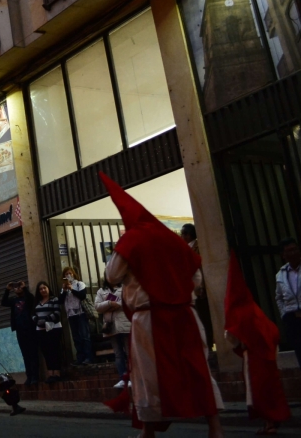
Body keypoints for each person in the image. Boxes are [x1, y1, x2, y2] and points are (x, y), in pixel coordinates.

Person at [100, 172, 224, 438]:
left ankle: (148, 430)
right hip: (185, 315)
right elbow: (197, 278)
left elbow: (111, 276)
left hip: (150, 318)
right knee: (197, 368)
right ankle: (215, 429)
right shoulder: (175, 240)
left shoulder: (131, 240)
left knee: (148, 375)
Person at [225, 252, 290, 435]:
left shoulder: (241, 312)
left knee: (261, 391)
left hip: (256, 356)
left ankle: (270, 422)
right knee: (264, 390)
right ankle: (269, 421)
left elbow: (232, 336)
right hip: (262, 354)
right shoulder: (252, 310)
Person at [182, 223, 214, 351]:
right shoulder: (185, 248)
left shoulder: (198, 247)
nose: (181, 236)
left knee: (204, 318)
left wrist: (202, 287)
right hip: (190, 289)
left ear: (189, 235)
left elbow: (201, 268)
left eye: (183, 234)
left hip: (199, 288)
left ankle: (209, 345)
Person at [95, 278, 131, 388]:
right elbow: (97, 306)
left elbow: (129, 301)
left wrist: (118, 304)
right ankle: (122, 378)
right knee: (118, 354)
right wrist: (109, 303)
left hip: (124, 324)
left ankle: (132, 377)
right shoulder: (101, 291)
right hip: (111, 326)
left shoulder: (124, 287)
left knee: (130, 353)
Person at [1, 281, 39, 384]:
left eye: (19, 287)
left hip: (30, 329)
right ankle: (29, 376)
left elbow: (32, 299)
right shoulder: (14, 301)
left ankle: (35, 376)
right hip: (20, 330)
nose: (17, 288)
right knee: (25, 354)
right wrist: (7, 290)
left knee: (33, 353)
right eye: (15, 287)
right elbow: (3, 302)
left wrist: (25, 288)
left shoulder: (27, 298)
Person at [275, 237, 301, 368]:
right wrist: (284, 314)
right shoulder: (281, 274)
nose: (293, 253)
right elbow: (279, 297)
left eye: (295, 249)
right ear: (283, 255)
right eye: (289, 251)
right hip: (293, 319)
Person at [59, 267, 93, 365]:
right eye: (66, 274)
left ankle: (88, 357)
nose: (68, 275)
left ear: (74, 274)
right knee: (76, 337)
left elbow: (82, 295)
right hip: (71, 314)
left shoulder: (79, 284)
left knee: (84, 335)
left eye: (70, 273)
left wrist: (72, 289)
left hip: (80, 313)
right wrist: (65, 290)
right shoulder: (63, 288)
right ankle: (80, 358)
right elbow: (60, 301)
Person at [32, 281, 64, 383]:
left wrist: (45, 319)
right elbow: (32, 314)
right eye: (40, 289)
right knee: (46, 352)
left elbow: (57, 313)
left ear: (48, 288)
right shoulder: (37, 302)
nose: (43, 290)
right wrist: (37, 321)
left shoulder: (54, 299)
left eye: (44, 288)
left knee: (54, 350)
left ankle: (57, 374)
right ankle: (50, 374)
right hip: (40, 330)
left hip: (53, 328)